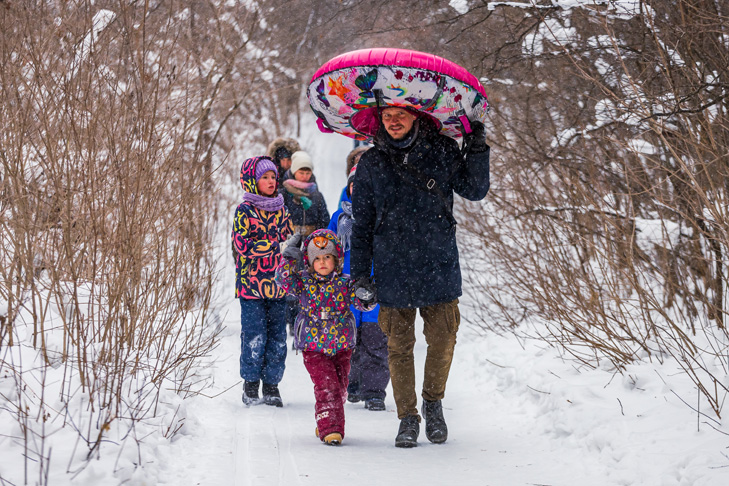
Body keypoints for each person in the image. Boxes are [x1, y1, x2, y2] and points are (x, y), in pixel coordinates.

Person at [350, 106, 490, 447]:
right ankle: (408, 418)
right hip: (392, 266)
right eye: (386, 116)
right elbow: (362, 225)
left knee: (443, 339)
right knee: (398, 347)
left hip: (437, 261)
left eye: (400, 114)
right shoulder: (371, 163)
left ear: (416, 115)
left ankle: (433, 402)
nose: (393, 121)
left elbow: (474, 189)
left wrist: (476, 145)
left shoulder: (442, 149)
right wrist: (360, 276)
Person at [275, 229, 375, 445]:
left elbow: (361, 304)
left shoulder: (345, 283)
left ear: (336, 259)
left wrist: (367, 296)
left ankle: (325, 419)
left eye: (327, 257)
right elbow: (282, 281)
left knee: (340, 388)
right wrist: (289, 258)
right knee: (326, 385)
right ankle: (332, 430)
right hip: (313, 346)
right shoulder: (302, 281)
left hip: (342, 345)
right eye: (317, 258)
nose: (322, 262)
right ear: (309, 262)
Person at [232, 156, 293, 407]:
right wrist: (273, 245)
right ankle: (250, 384)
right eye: (264, 177)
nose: (270, 181)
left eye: (272, 177)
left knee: (278, 337)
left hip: (279, 285)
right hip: (251, 285)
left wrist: (284, 249)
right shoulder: (244, 211)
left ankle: (272, 385)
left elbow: (290, 243)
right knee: (255, 335)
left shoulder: (282, 209)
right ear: (252, 181)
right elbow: (242, 246)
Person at [328, 164, 390, 411]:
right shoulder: (338, 218)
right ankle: (352, 384)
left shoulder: (383, 216)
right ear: (349, 187)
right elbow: (326, 251)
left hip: (376, 286)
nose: (359, 188)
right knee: (349, 342)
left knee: (375, 342)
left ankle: (374, 391)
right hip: (346, 288)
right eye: (355, 184)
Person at [281, 151, 331, 237]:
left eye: (308, 173)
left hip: (312, 242)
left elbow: (324, 221)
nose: (305, 176)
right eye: (301, 173)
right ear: (294, 172)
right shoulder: (283, 194)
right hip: (287, 242)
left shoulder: (317, 196)